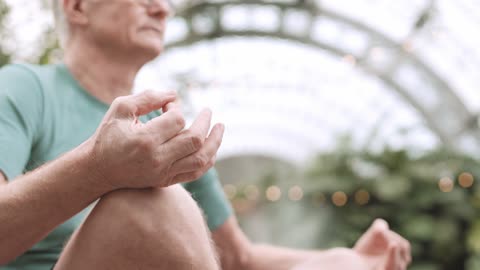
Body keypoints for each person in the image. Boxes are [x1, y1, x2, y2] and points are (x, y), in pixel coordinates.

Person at [0, 0, 412, 269]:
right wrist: (98, 170)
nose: (163, 9)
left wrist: (349, 258)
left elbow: (238, 257)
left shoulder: (167, 127)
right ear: (78, 6)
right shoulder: (25, 88)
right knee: (149, 206)